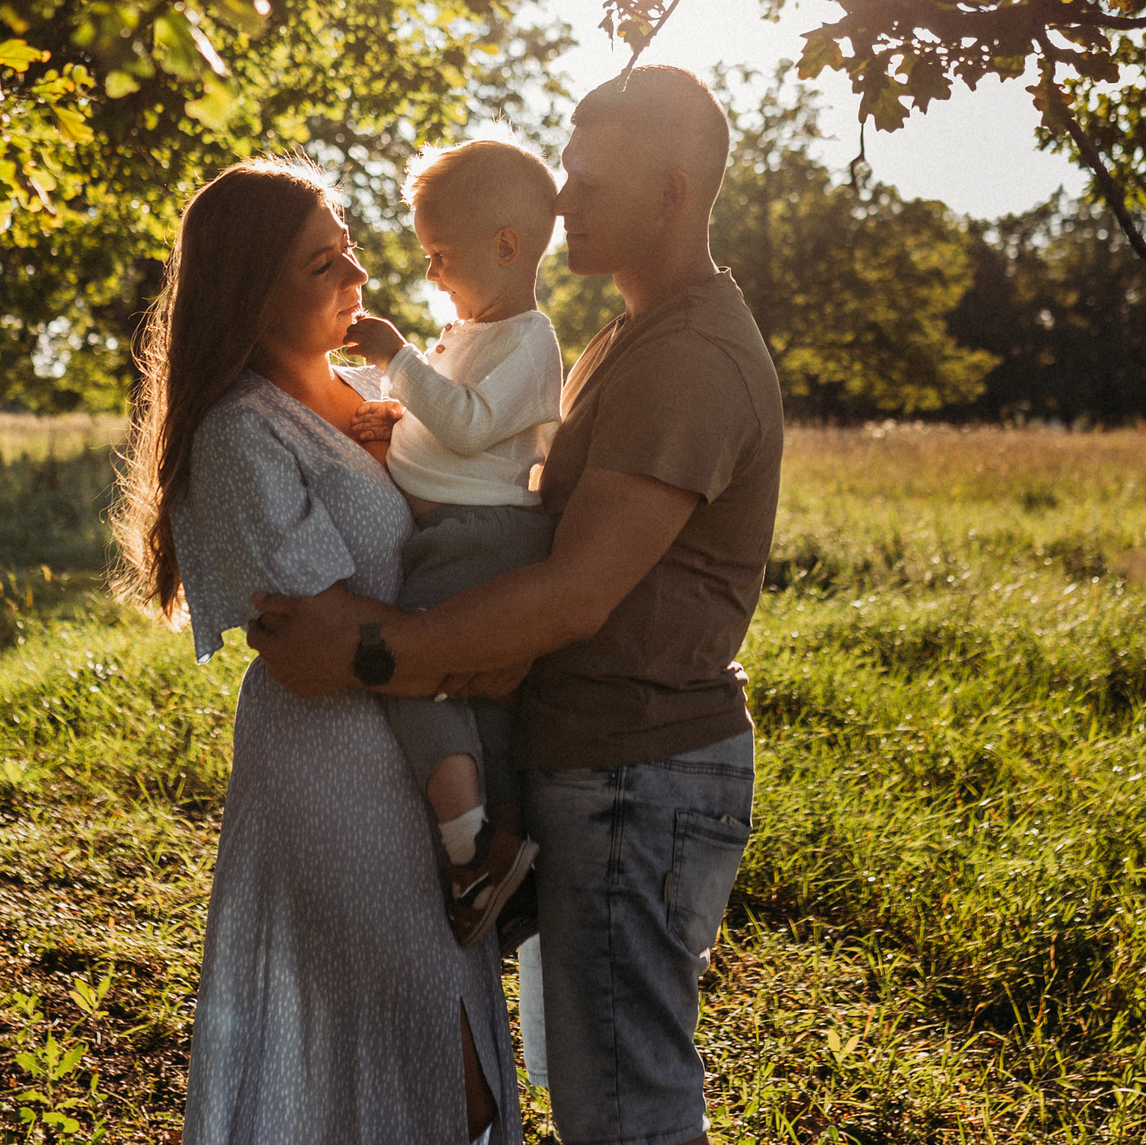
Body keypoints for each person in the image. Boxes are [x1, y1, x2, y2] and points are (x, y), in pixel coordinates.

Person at [249, 65, 786, 1145]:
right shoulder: (625, 340)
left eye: (586, 187)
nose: (560, 206)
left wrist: (374, 653)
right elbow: (531, 508)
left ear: (674, 193)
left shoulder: (687, 360)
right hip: (590, 760)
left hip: (639, 772)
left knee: (622, 1109)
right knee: (575, 1082)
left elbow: (577, 592)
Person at [112, 159, 520, 1145]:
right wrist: (488, 655)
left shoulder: (383, 392)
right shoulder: (241, 433)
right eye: (320, 262)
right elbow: (325, 640)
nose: (357, 277)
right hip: (331, 775)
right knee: (440, 1074)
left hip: (435, 770)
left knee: (457, 1057)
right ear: (249, 295)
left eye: (348, 248)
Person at [341, 139, 567, 944]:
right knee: (473, 690)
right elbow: (445, 419)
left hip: (483, 537)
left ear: (505, 245)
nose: (431, 273)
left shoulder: (529, 341)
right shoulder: (467, 331)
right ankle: (506, 843)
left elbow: (471, 425)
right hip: (459, 535)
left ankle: (467, 846)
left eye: (440, 254)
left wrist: (397, 357)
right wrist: (394, 417)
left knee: (413, 668)